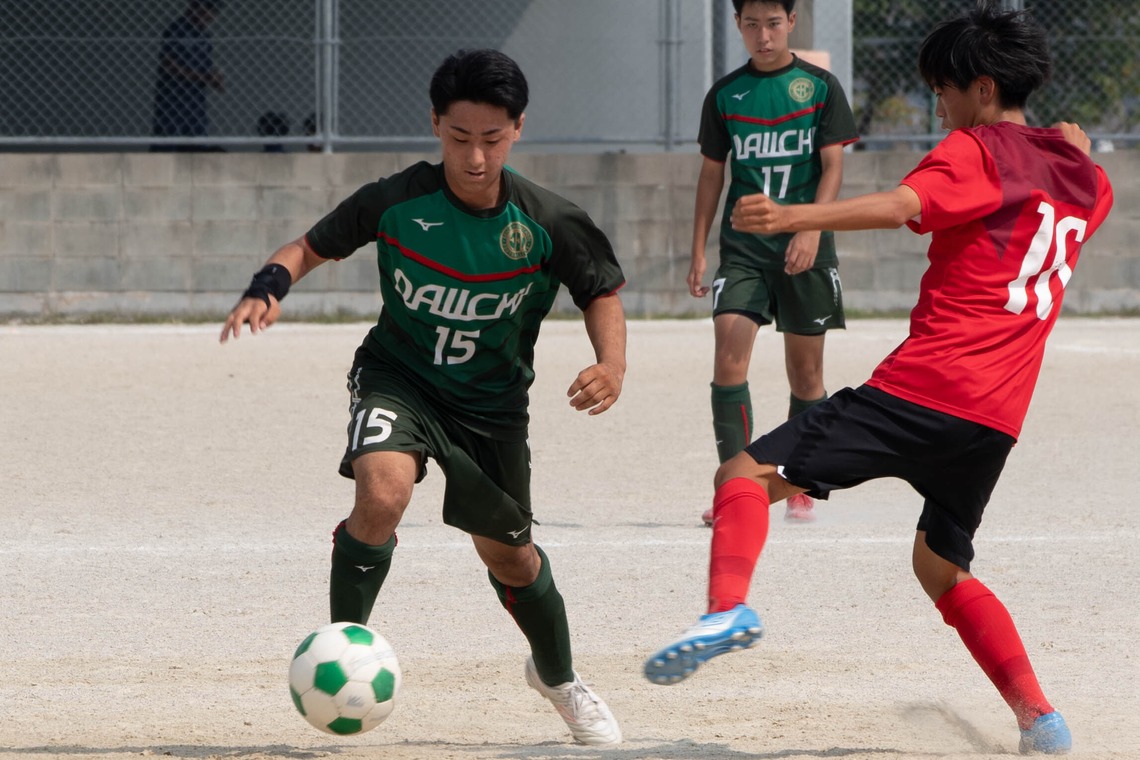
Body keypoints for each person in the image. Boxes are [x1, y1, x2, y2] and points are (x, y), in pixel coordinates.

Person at [644, 3, 1112, 755]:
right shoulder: (1089, 182)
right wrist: (1069, 145)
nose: (941, 106)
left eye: (946, 90)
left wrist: (795, 216)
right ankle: (1040, 720)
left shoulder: (975, 148)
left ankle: (725, 610)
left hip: (925, 387)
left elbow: (902, 205)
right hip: (996, 416)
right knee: (941, 563)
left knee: (742, 472)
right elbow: (1069, 159)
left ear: (983, 88)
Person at [219, 49, 626, 746]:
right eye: (459, 137)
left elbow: (600, 291)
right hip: (398, 378)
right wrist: (268, 285)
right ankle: (346, 650)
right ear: (435, 125)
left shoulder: (548, 221)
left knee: (511, 559)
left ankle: (557, 676)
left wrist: (611, 363)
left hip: (492, 408)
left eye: (491, 139)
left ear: (518, 129)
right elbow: (309, 246)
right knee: (382, 493)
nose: (474, 156)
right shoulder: (399, 201)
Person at [690, 0, 858, 525]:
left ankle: (796, 481)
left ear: (790, 22)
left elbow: (833, 166)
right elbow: (712, 176)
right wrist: (698, 248)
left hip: (803, 248)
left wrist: (810, 226)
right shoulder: (724, 95)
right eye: (751, 24)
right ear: (739, 26)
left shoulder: (821, 87)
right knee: (727, 355)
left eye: (773, 23)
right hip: (743, 249)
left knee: (806, 374)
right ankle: (734, 491)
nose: (763, 35)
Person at [151, 0, 225, 151]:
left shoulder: (205, 36)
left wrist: (216, 79)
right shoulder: (176, 29)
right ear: (194, 5)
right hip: (172, 100)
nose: (211, 15)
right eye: (208, 7)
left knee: (196, 148)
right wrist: (202, 77)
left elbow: (207, 68)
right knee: (166, 146)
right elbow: (168, 64)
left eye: (214, 11)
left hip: (195, 104)